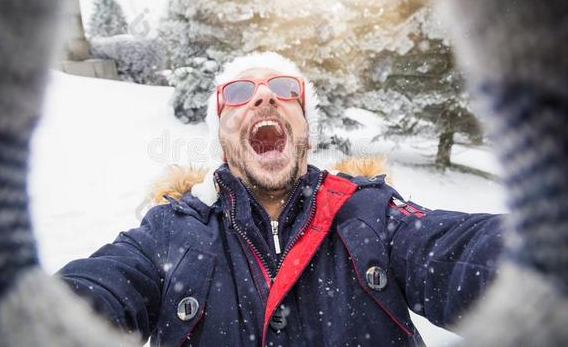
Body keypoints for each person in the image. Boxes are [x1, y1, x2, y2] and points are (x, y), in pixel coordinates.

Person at [58, 52, 504, 346]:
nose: (265, 95)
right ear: (221, 136)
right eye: (238, 93)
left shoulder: (371, 214)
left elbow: (461, 253)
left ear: (306, 131)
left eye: (285, 88)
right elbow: (97, 291)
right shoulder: (168, 231)